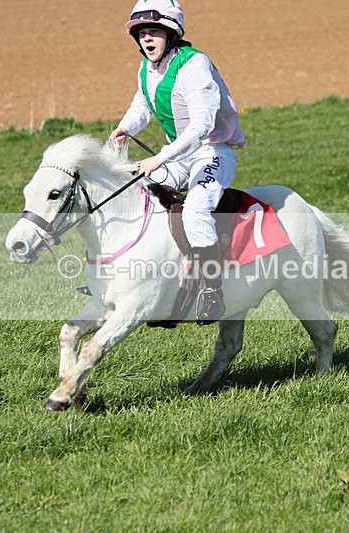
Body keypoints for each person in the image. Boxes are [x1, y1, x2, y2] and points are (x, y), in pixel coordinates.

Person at [110, 0, 246, 325]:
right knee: (137, 191)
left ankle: (213, 292)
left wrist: (159, 158)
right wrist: (125, 128)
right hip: (179, 152)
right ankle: (151, 280)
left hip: (213, 151)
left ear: (172, 33)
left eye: (154, 32)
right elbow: (141, 105)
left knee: (196, 210)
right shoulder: (148, 68)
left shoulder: (194, 64)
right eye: (142, 34)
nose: (147, 40)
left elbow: (200, 127)